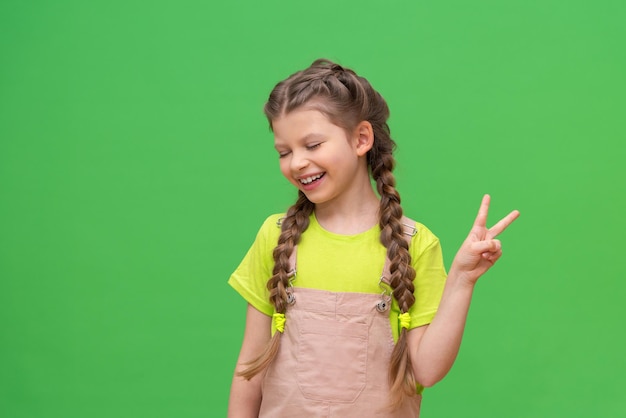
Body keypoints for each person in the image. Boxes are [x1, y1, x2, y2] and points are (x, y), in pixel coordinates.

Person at [227, 59, 519, 417]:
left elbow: (426, 370)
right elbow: (249, 368)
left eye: (313, 145)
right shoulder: (275, 237)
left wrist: (462, 279)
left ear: (361, 138)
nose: (297, 163)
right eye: (284, 152)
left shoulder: (414, 244)